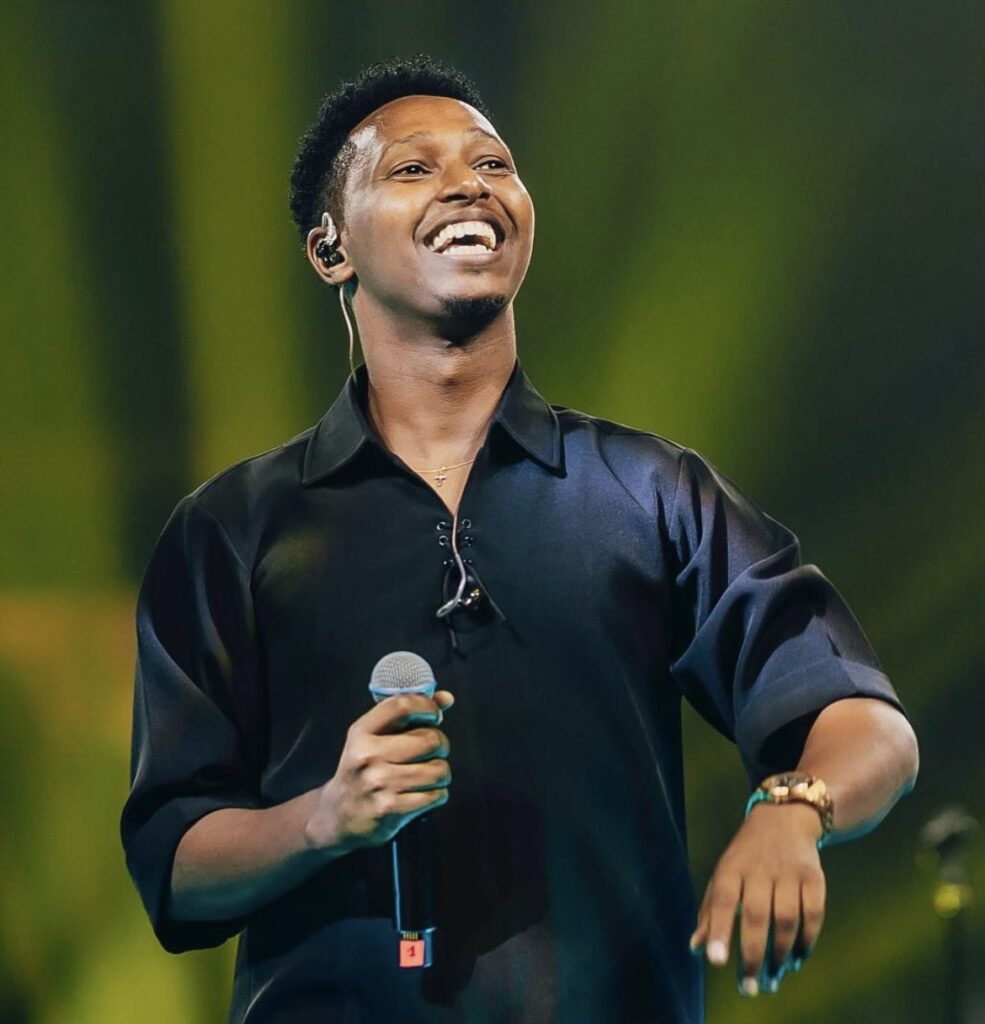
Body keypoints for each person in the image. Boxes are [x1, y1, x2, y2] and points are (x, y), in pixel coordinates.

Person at [121, 54, 919, 1024]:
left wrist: (793, 809)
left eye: (493, 163)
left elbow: (866, 723)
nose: (469, 184)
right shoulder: (232, 530)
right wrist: (322, 819)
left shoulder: (650, 493)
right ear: (330, 248)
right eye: (413, 168)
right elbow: (174, 862)